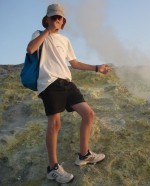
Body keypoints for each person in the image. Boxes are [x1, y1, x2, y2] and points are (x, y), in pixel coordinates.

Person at [26, 4, 111, 184]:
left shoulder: (65, 40)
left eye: (60, 18)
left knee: (88, 114)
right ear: (47, 19)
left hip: (66, 82)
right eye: (53, 17)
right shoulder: (38, 34)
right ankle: (53, 168)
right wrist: (47, 32)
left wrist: (97, 68)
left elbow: (74, 63)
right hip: (49, 83)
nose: (57, 20)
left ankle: (83, 155)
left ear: (63, 21)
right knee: (55, 124)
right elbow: (31, 49)